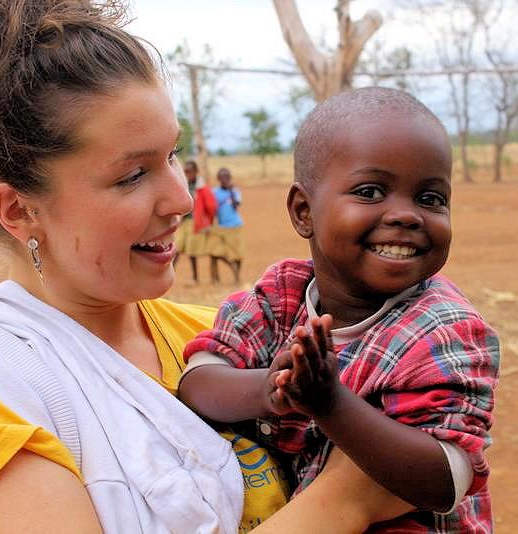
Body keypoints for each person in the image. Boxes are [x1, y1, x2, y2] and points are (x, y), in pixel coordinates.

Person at [0, 2, 412, 533]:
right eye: (132, 175)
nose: (180, 198)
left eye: (173, 155)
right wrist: (347, 499)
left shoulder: (221, 340)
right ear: (19, 210)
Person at [179, 87, 501, 532]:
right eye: (371, 191)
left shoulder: (445, 329)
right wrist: (269, 389)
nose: (407, 215)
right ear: (303, 211)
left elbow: (444, 480)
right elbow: (197, 382)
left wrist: (331, 404)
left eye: (430, 199)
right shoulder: (280, 297)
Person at [174, 159, 216, 284]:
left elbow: (211, 206)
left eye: (189, 171)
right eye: (185, 171)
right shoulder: (183, 185)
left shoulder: (202, 188)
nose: (187, 174)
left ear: (196, 171)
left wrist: (208, 222)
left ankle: (195, 278)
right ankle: (167, 276)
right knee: (176, 248)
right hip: (184, 222)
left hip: (195, 223)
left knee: (192, 252)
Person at [209, 167, 244, 284]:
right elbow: (212, 209)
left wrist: (231, 192)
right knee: (214, 252)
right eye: (222, 177)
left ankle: (236, 278)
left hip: (235, 226)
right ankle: (215, 279)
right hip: (221, 227)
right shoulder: (214, 192)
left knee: (237, 255)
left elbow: (236, 206)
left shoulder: (235, 192)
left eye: (227, 177)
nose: (225, 179)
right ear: (218, 179)